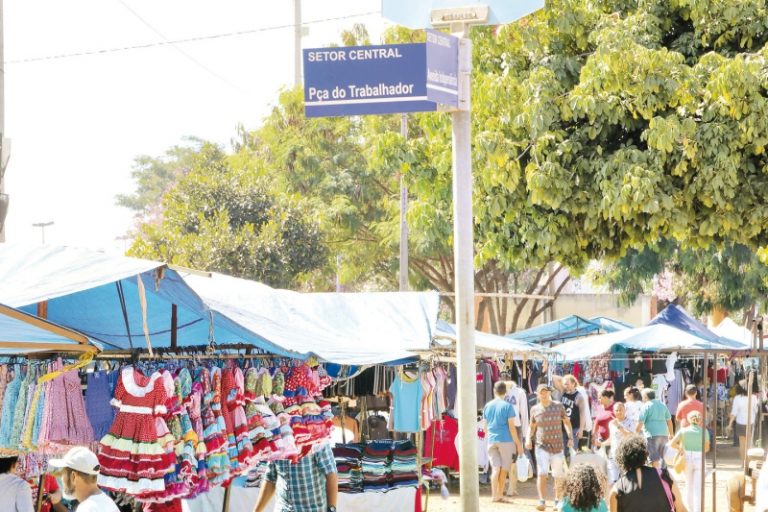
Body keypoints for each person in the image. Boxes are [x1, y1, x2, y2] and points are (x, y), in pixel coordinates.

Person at [526, 383, 574, 511]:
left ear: (549, 393)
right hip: (541, 445)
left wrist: (570, 437)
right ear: (538, 394)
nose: (544, 394)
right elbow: (532, 426)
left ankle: (558, 501)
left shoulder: (558, 406)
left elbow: (566, 422)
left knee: (558, 475)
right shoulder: (534, 409)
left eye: (546, 391)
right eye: (541, 392)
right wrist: (528, 439)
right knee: (542, 473)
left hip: (557, 446)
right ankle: (542, 501)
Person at [608, 435, 686, 512]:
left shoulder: (617, 489)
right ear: (645, 454)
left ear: (621, 460)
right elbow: (681, 509)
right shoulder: (663, 475)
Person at [254, 442, 338, 512]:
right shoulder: (276, 440)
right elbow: (270, 478)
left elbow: (331, 473)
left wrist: (331, 509)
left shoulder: (316, 438)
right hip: (283, 509)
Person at [483, 381, 524, 503]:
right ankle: (500, 494)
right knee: (504, 469)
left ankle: (494, 495)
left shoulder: (488, 406)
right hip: (506, 440)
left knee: (495, 468)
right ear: (505, 392)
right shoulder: (508, 406)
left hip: (491, 440)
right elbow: (512, 428)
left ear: (494, 391)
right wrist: (518, 444)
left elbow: (485, 427)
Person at [48, 446, 118, 512]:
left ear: (73, 476)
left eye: (63, 474)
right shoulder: (106, 501)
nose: (62, 479)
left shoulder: (87, 508)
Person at [670, 410, 710, 512]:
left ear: (688, 420)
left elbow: (672, 443)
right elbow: (706, 448)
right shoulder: (704, 431)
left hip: (686, 458)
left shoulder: (683, 431)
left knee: (688, 485)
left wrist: (680, 449)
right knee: (698, 487)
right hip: (699, 458)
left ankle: (690, 509)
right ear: (700, 420)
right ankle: (698, 510)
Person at [636, 388, 673, 468]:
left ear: (645, 397)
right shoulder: (662, 405)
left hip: (651, 435)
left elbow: (640, 422)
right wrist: (671, 434)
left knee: (654, 458)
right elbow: (669, 421)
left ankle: (656, 476)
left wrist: (635, 434)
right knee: (663, 457)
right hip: (663, 434)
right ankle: (663, 476)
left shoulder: (646, 406)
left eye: (642, 396)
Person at [601, 402, 633, 486]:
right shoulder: (611, 423)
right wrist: (601, 444)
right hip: (613, 456)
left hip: (625, 455)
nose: (618, 412)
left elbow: (630, 436)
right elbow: (611, 439)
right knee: (612, 482)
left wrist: (618, 426)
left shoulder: (631, 422)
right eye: (616, 410)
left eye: (620, 410)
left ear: (625, 410)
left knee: (626, 481)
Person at [728, 380, 760, 460]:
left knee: (742, 444)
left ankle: (743, 463)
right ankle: (748, 462)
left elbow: (734, 413)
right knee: (749, 444)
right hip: (751, 422)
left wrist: (729, 424)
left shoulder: (737, 398)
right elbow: (756, 410)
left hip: (740, 423)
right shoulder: (753, 397)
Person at [562, 375, 589, 452]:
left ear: (573, 383)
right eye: (564, 384)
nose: (565, 386)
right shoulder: (563, 392)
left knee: (571, 451)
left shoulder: (579, 396)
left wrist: (581, 429)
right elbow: (555, 379)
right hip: (563, 427)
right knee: (563, 452)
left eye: (567, 384)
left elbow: (582, 414)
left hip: (574, 428)